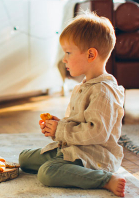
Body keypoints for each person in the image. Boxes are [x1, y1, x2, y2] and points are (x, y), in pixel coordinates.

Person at [19, 10, 126, 197]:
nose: (64, 58)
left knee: (47, 173)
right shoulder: (85, 86)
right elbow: (80, 122)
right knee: (24, 158)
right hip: (74, 149)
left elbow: (97, 133)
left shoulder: (103, 90)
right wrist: (58, 125)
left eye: (68, 52)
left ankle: (104, 179)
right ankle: (66, 168)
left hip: (93, 156)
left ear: (91, 55)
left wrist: (60, 130)